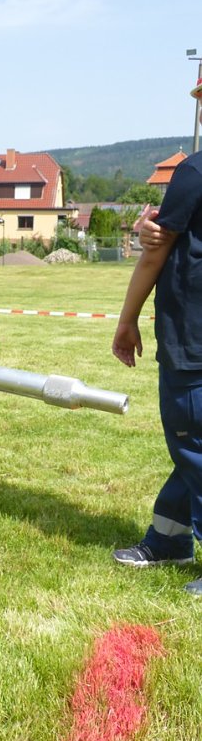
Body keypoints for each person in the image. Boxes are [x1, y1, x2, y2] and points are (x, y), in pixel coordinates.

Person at [111, 114, 202, 596]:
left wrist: (126, 320)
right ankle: (169, 539)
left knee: (194, 444)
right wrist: (159, 228)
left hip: (193, 346)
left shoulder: (194, 171)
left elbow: (155, 250)